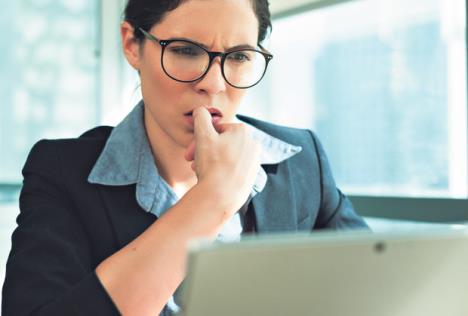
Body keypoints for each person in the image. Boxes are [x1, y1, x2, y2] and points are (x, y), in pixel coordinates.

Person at [2, 0, 368, 315]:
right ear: (132, 45)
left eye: (239, 56)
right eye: (186, 50)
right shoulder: (62, 171)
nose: (214, 83)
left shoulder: (301, 160)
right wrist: (213, 200)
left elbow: (376, 288)